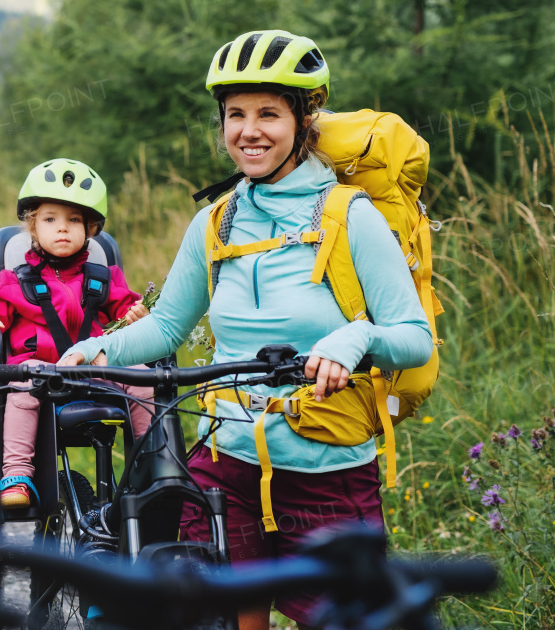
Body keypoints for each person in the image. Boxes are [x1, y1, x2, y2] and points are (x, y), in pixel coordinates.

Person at [59, 31, 433, 630]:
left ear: (304, 119)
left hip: (327, 471)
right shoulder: (215, 219)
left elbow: (414, 337)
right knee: (231, 619)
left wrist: (354, 337)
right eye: (235, 114)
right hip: (226, 463)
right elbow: (164, 327)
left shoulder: (350, 216)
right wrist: (92, 349)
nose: (248, 130)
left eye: (268, 113)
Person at [0, 159, 151, 509]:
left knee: (142, 379)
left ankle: (151, 463)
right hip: (39, 372)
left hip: (95, 369)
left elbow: (126, 306)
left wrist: (135, 314)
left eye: (74, 220)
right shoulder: (15, 280)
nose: (62, 229)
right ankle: (17, 475)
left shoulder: (102, 277)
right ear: (33, 228)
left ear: (90, 228)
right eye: (50, 220)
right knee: (20, 389)